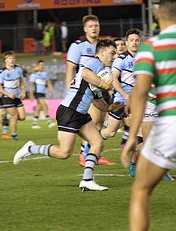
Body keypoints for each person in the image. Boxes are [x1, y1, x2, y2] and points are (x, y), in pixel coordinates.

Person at [121, 1, 176, 230]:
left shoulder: (151, 46)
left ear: (157, 15)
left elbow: (139, 93)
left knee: (141, 189)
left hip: (173, 123)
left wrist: (131, 137)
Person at [13, 40, 123, 191]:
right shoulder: (95, 63)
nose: (114, 56)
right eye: (112, 53)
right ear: (102, 52)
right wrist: (105, 85)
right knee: (64, 152)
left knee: (97, 142)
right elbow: (85, 73)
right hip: (70, 111)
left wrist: (110, 107)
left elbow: (98, 102)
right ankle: (31, 148)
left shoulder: (99, 72)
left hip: (81, 113)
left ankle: (87, 180)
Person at [65, 14, 114, 166]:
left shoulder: (102, 46)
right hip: (86, 89)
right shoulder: (78, 46)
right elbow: (70, 69)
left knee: (99, 122)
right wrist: (69, 91)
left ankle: (94, 153)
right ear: (85, 29)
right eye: (91, 26)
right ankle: (83, 154)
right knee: (93, 121)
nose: (94, 28)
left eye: (96, 25)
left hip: (102, 87)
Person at [99, 28, 141, 140]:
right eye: (131, 40)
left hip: (137, 100)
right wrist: (125, 95)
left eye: (137, 40)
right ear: (127, 42)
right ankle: (89, 145)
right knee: (110, 132)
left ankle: (135, 156)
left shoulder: (142, 59)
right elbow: (114, 79)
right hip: (121, 100)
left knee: (141, 133)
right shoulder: (122, 59)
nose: (134, 42)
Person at [0, 51, 26, 141]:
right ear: (5, 60)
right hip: (7, 98)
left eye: (13, 58)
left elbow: (22, 81)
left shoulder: (18, 69)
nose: (12, 60)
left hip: (17, 97)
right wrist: (8, 94)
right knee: (15, 116)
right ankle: (14, 135)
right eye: (9, 58)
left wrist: (23, 91)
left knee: (23, 117)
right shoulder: (2, 72)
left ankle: (7, 118)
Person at [29, 60, 56, 129]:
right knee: (45, 105)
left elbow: (48, 83)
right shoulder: (34, 74)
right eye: (40, 65)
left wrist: (52, 90)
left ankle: (34, 124)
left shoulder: (45, 74)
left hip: (42, 93)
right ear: (38, 66)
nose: (42, 66)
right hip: (37, 93)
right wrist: (31, 94)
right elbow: (31, 85)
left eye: (43, 65)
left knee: (38, 107)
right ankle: (49, 123)